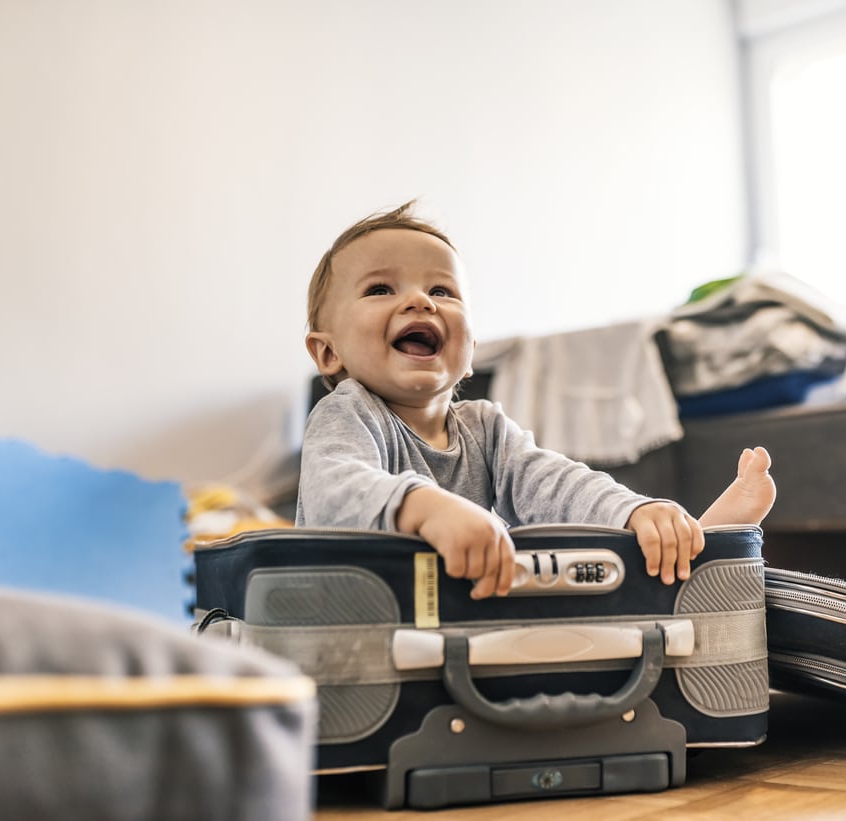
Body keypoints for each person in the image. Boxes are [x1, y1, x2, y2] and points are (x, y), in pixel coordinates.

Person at [297, 201, 775, 600]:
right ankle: (691, 564)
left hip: (465, 626)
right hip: (359, 627)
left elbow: (558, 486)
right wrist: (425, 507)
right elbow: (335, 492)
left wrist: (634, 512)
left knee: (588, 578)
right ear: (328, 351)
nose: (421, 302)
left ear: (470, 357)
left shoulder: (485, 428)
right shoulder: (348, 412)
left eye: (442, 290)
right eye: (380, 289)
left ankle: (693, 551)